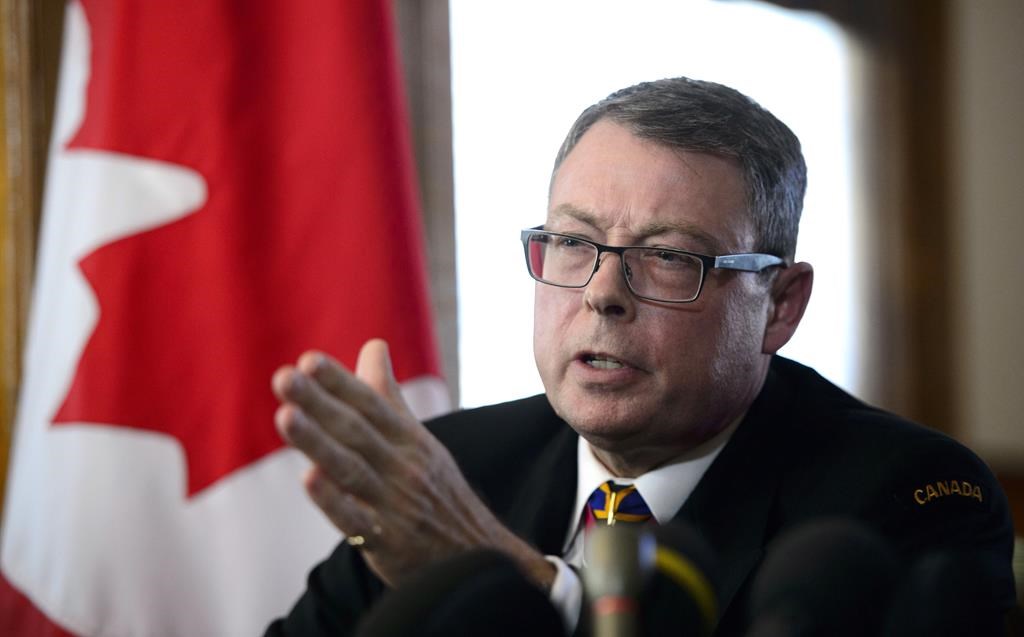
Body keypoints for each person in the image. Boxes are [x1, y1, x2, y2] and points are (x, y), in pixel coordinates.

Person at [265, 77, 1016, 636]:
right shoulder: (454, 465)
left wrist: (516, 582)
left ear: (780, 305)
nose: (602, 293)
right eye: (573, 242)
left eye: (668, 256)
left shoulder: (904, 501)